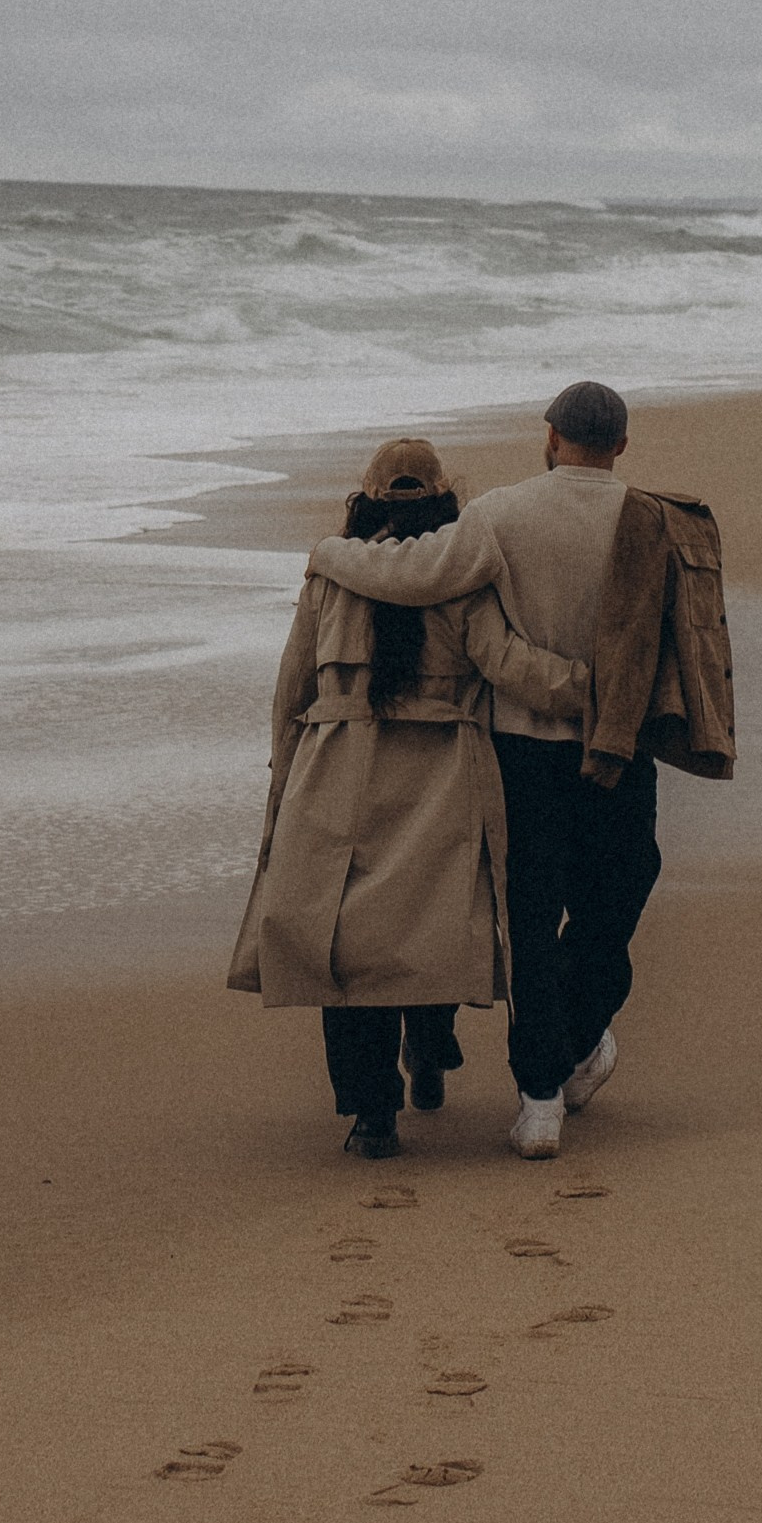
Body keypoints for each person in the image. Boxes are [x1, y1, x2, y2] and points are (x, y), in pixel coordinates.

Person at [302, 378, 669, 1160]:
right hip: (621, 748)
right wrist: (615, 704)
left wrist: (332, 551)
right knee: (613, 908)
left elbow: (412, 576)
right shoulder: (656, 522)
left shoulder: (500, 515)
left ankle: (541, 1096)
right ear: (623, 446)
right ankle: (572, 1046)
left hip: (525, 755)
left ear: (549, 435)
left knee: (530, 925)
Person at [229, 437, 591, 1159]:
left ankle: (372, 1114)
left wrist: (281, 776)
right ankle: (429, 1042)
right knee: (426, 924)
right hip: (440, 768)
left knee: (347, 944)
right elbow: (506, 664)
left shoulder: (330, 572)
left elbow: (292, 683)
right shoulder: (461, 577)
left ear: (362, 502)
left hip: (338, 767)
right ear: (444, 501)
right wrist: (594, 689)